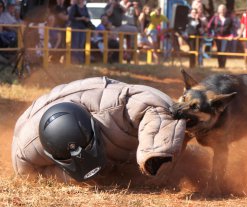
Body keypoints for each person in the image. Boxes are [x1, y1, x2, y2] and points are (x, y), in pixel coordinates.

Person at [12, 77, 186, 183]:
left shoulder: (118, 107)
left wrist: (154, 153)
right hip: (38, 115)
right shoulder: (26, 152)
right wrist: (74, 178)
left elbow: (159, 105)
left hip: (98, 97)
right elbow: (30, 176)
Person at [207, 4, 233, 68]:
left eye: (223, 9)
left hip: (226, 37)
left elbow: (232, 28)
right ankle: (220, 65)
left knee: (224, 51)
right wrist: (210, 34)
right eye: (221, 9)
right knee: (219, 51)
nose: (222, 11)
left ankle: (223, 65)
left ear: (226, 10)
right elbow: (209, 26)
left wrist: (231, 35)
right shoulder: (215, 18)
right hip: (217, 37)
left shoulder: (229, 18)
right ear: (218, 10)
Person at [68, 0, 91, 64]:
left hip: (83, 28)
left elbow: (88, 16)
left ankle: (80, 60)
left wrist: (87, 19)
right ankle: (74, 60)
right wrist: (81, 18)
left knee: (81, 44)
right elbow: (71, 17)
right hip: (75, 27)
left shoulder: (85, 7)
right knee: (75, 44)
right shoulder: (74, 7)